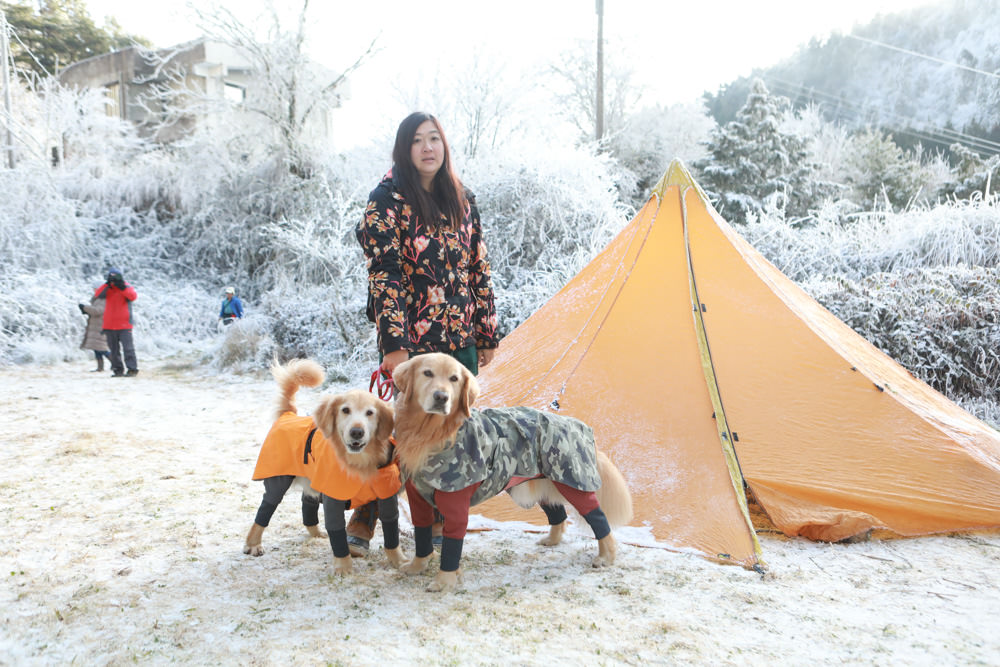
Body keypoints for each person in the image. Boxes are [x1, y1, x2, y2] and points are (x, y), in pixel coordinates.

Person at [351, 111, 499, 556]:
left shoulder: (463, 198)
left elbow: (479, 267)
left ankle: (439, 522)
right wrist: (394, 345)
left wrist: (487, 331)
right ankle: (366, 514)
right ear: (404, 148)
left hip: (460, 342)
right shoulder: (387, 200)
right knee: (401, 436)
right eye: (418, 140)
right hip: (414, 343)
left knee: (453, 431)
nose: (428, 148)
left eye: (435, 139)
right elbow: (385, 276)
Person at [93, 268, 139, 377]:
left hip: (124, 324)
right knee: (114, 350)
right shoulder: (107, 289)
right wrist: (107, 284)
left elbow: (133, 297)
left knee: (128, 348)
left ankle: (132, 369)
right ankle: (117, 370)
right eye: (111, 277)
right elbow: (98, 295)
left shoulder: (126, 287)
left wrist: (122, 286)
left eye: (115, 277)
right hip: (109, 325)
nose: (113, 279)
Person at [78, 288, 111, 372]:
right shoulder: (98, 298)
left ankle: (115, 363)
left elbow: (98, 311)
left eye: (95, 288)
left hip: (100, 326)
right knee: (96, 348)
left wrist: (85, 308)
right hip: (96, 325)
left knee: (101, 348)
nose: (94, 290)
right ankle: (100, 367)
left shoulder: (103, 299)